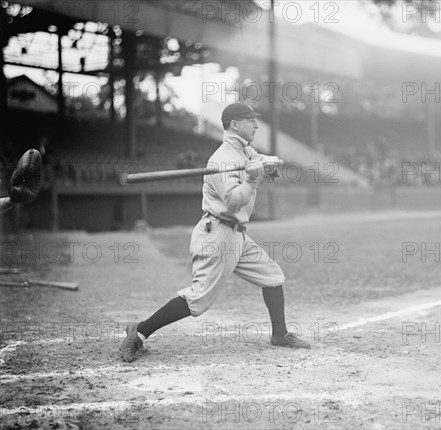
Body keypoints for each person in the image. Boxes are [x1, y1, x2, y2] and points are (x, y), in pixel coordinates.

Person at [120, 103, 310, 362]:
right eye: (250, 121)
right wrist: (252, 180)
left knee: (272, 276)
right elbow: (234, 201)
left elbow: (261, 160)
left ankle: (280, 334)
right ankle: (139, 331)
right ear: (234, 124)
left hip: (237, 235)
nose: (256, 125)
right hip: (218, 234)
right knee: (199, 299)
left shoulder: (243, 150)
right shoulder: (221, 160)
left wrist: (269, 164)